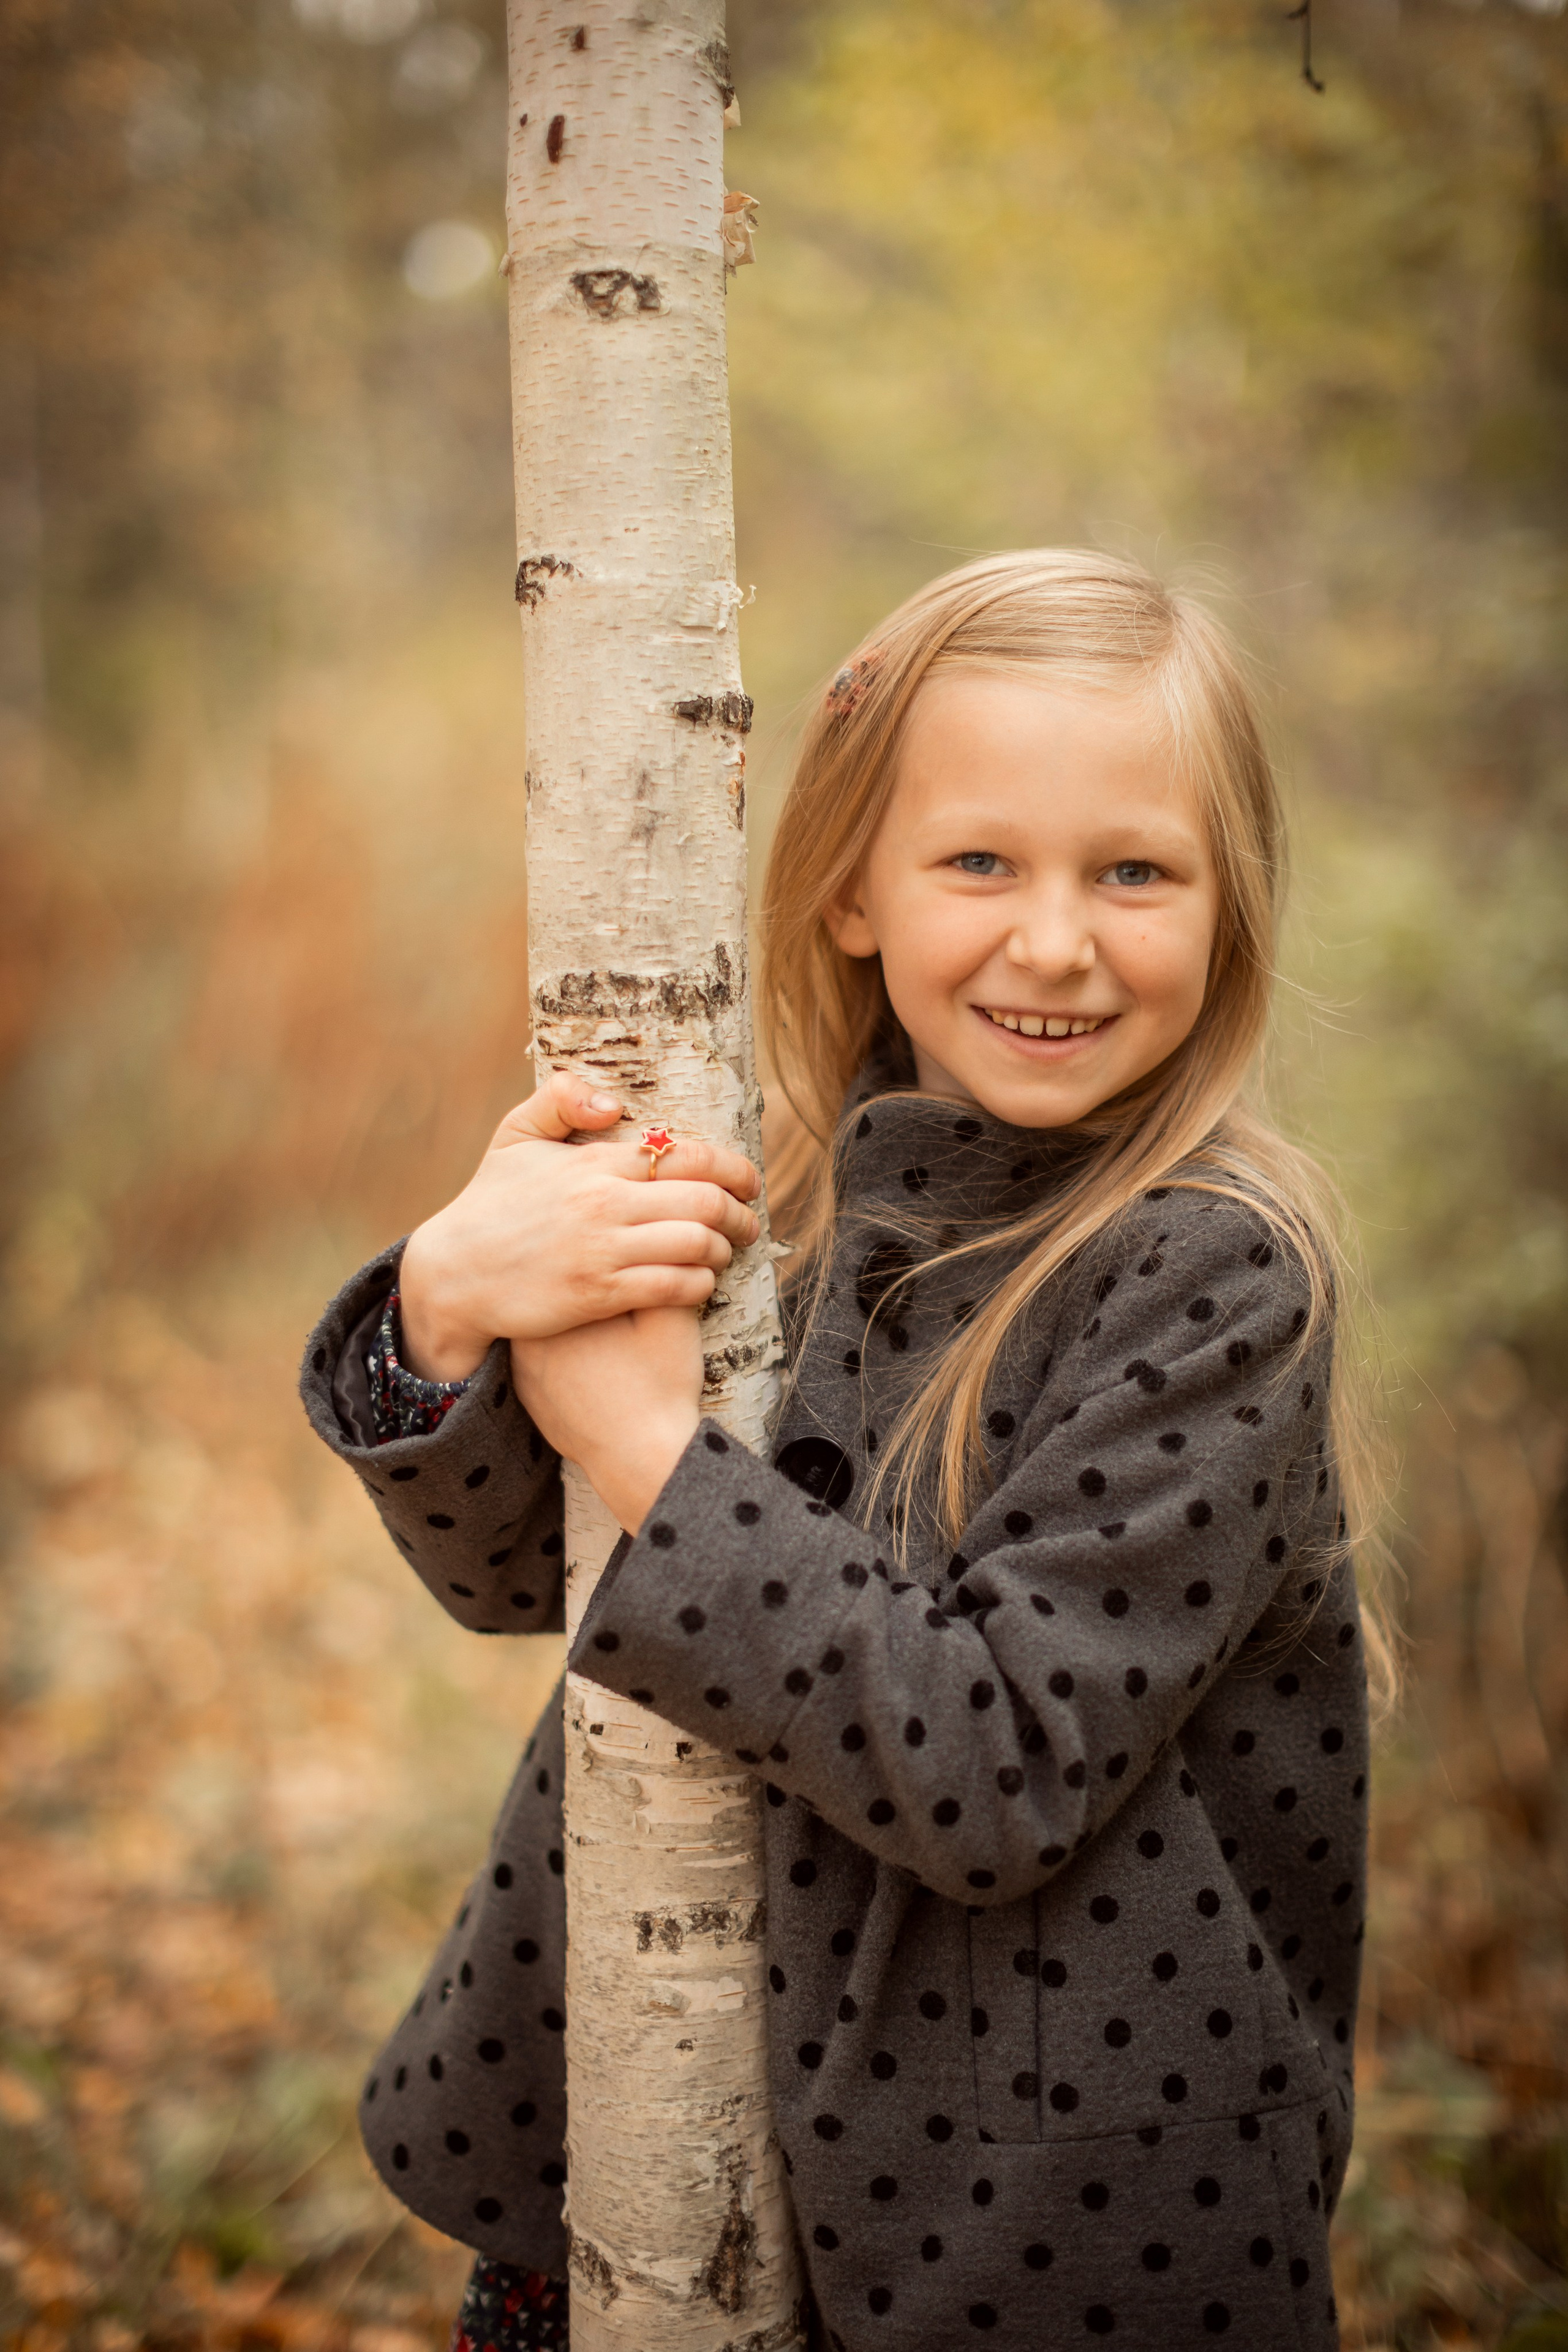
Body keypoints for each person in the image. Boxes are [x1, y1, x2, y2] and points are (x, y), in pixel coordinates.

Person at [300, 549, 1385, 2352]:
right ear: (855, 889)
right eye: (980, 862)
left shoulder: (1212, 1280)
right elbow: (532, 1580)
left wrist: (653, 1445)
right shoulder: (781, 1199)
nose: (1056, 940)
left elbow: (1000, 1755)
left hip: (1041, 2218)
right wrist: (450, 1308)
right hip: (654, 2124)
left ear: (1231, 907)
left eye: (1134, 871)